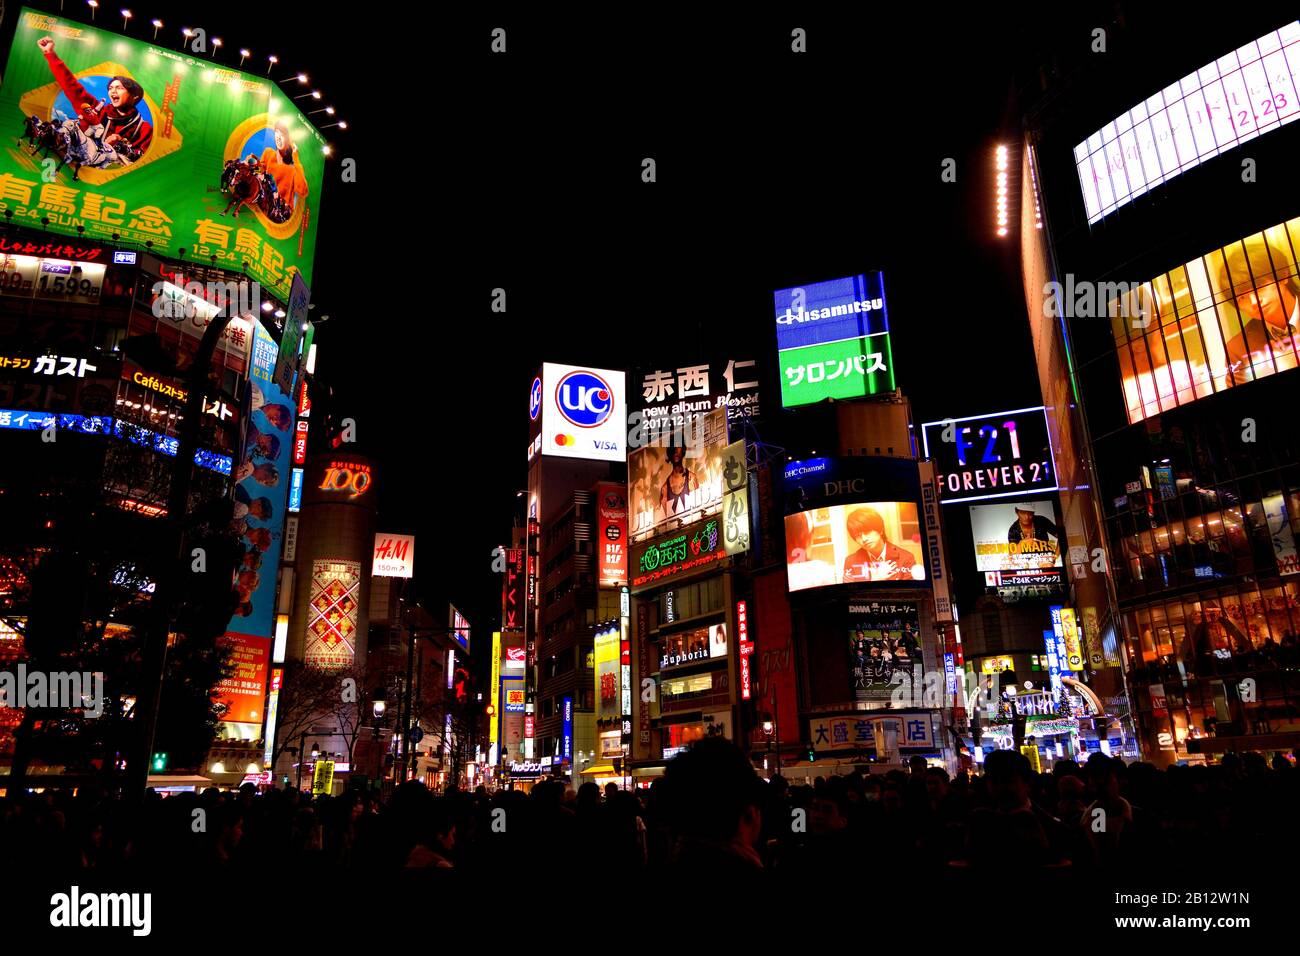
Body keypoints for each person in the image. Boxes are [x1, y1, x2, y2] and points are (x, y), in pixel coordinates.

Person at [38, 36, 152, 167]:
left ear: (135, 96)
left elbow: (144, 162)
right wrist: (50, 54)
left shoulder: (144, 129)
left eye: (119, 88)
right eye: (110, 88)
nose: (113, 91)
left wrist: (121, 146)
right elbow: (71, 86)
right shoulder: (96, 110)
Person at [842, 507, 917, 581]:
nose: (864, 539)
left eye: (867, 532)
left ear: (880, 529)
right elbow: (849, 593)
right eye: (858, 536)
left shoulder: (906, 558)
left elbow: (908, 592)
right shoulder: (850, 561)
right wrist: (876, 579)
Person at [260, 122, 310, 221]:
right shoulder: (268, 153)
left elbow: (303, 191)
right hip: (263, 209)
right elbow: (259, 175)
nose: (278, 137)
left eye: (282, 135)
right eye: (276, 133)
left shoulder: (292, 169)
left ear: (288, 140)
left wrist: (296, 158)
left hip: (281, 216)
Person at [659, 445, 700, 520]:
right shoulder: (665, 489)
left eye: (678, 446)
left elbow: (698, 511)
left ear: (683, 450)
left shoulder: (691, 478)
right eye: (672, 447)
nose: (675, 450)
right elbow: (666, 522)